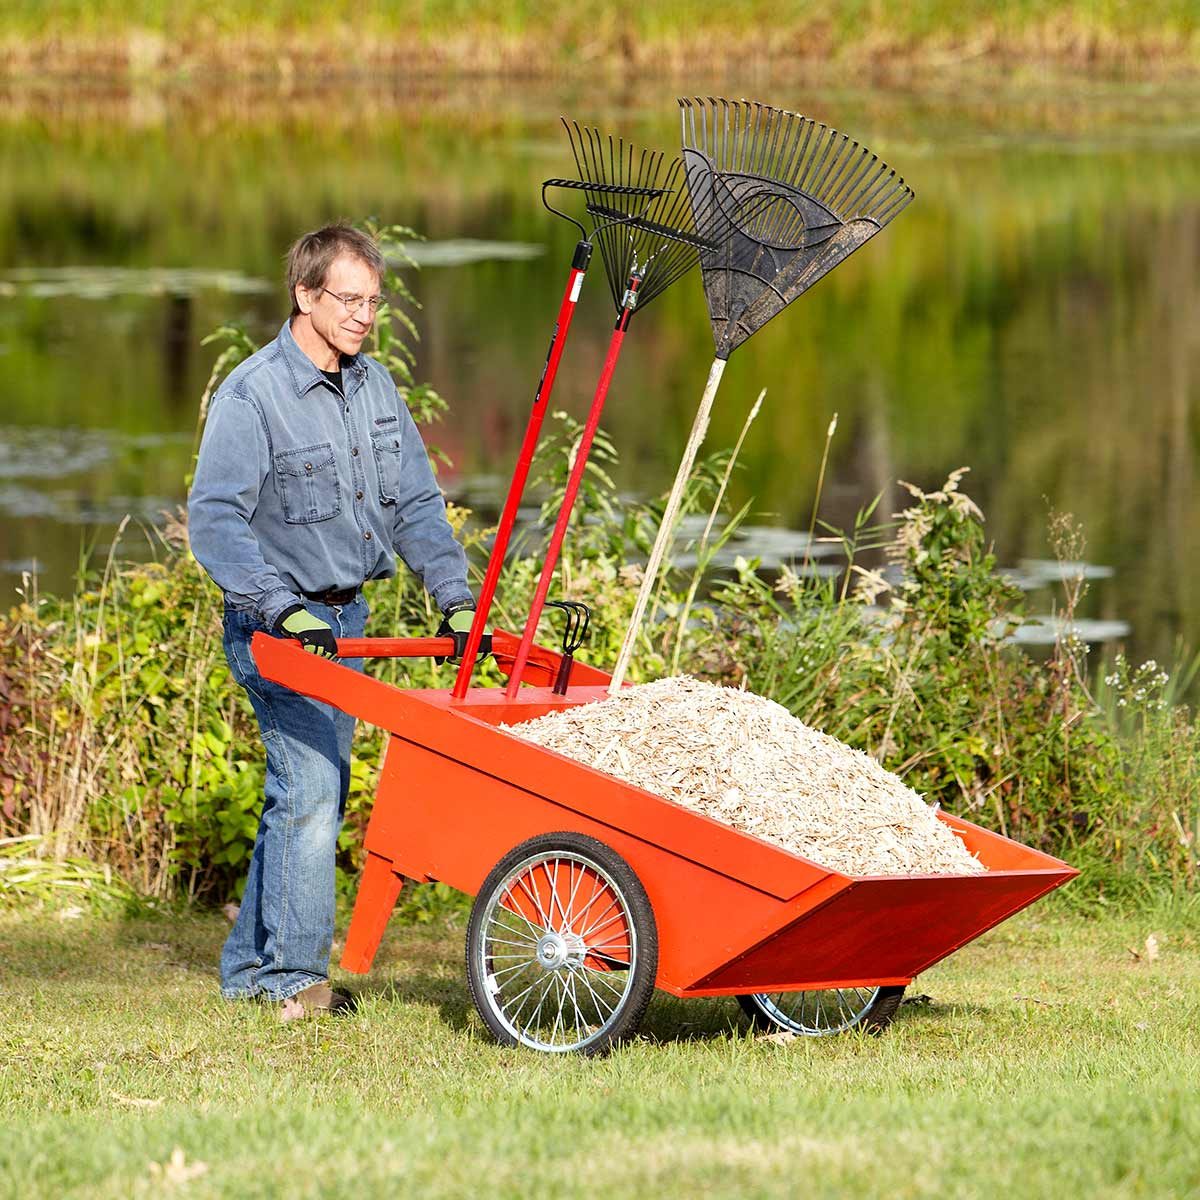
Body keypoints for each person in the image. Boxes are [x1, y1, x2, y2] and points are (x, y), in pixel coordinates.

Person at [188, 223, 479, 1020]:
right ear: (304, 295)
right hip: (278, 629)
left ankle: (251, 967)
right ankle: (293, 982)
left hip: (349, 623)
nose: (362, 316)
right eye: (347, 300)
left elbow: (417, 503)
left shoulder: (376, 386)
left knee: (309, 788)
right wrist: (280, 607)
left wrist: (455, 595)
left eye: (373, 302)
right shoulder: (253, 397)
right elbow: (214, 522)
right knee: (312, 787)